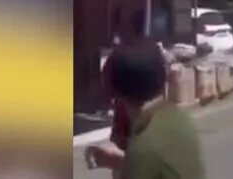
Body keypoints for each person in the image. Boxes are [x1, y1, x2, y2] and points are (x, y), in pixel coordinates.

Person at [86, 44, 205, 179]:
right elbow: (161, 167)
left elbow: (148, 159)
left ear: (116, 93)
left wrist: (125, 164)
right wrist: (120, 161)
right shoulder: (180, 118)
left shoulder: (142, 147)